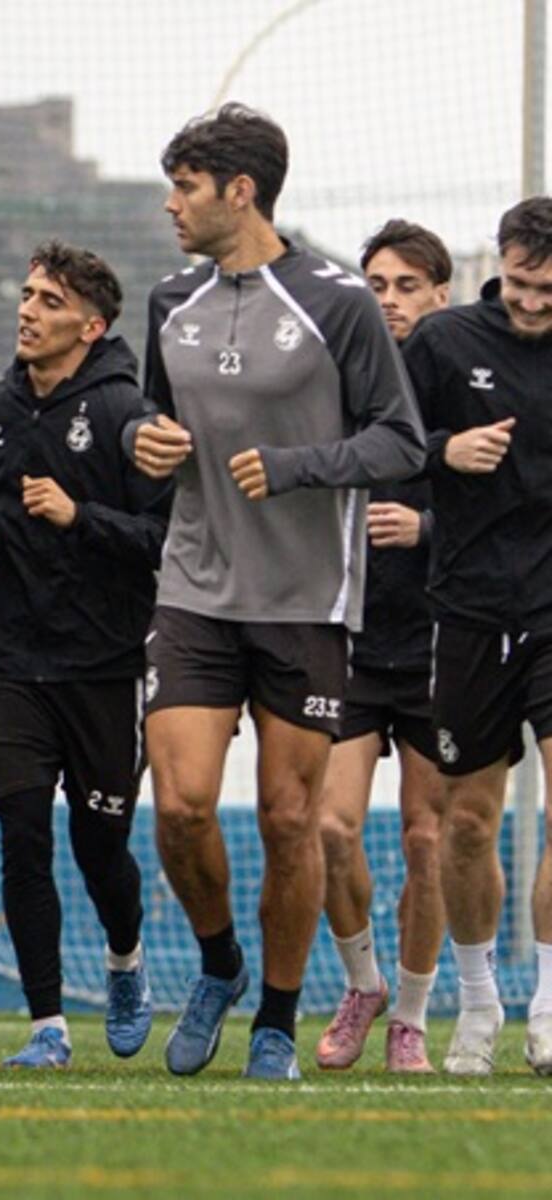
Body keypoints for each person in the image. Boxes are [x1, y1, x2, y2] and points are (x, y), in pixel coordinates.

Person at [129, 104, 425, 1080]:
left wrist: (298, 465)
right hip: (196, 587)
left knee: (291, 822)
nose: (172, 204)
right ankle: (219, 964)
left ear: (240, 191)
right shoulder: (170, 299)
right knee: (179, 807)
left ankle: (276, 1021)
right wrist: (143, 441)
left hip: (307, 601)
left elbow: (399, 441)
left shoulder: (338, 301)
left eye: (185, 186)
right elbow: (154, 427)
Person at [0, 240, 172, 1068]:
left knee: (99, 844)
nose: (28, 311)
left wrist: (80, 517)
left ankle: (124, 959)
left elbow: (162, 541)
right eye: (28, 295)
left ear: (92, 324)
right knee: (21, 834)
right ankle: (47, 1024)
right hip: (10, 661)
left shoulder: (129, 417)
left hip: (107, 664)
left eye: (48, 301)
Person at [402, 196, 552, 1076]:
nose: (535, 304)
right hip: (465, 610)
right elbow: (382, 442)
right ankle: (480, 1001)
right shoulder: (444, 343)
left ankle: (549, 1009)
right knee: (467, 824)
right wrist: (444, 451)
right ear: (501, 264)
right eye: (525, 285)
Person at [314, 220, 451, 1074]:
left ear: (440, 293)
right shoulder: (338, 382)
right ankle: (361, 984)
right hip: (350, 644)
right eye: (377, 284)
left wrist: (428, 526)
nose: (390, 299)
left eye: (407, 285)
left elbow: (510, 510)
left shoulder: (470, 383)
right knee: (327, 827)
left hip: (440, 647)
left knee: (428, 842)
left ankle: (411, 1013)